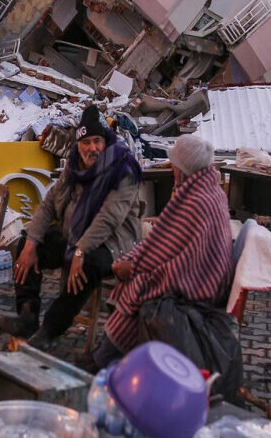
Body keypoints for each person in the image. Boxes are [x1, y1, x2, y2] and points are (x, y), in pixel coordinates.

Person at [0, 105, 142, 349]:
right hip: (74, 234)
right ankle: (27, 315)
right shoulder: (74, 165)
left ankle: (50, 329)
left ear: (105, 141)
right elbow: (49, 203)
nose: (92, 148)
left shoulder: (122, 170)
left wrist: (80, 251)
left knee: (87, 266)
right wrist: (32, 241)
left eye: (97, 141)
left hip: (112, 243)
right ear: (78, 144)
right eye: (86, 142)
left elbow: (108, 218)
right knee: (27, 243)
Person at [93, 135, 233, 369]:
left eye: (175, 166)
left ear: (181, 169)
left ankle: (106, 359)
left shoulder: (195, 201)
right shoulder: (209, 191)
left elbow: (168, 252)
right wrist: (135, 261)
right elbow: (166, 244)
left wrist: (133, 265)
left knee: (138, 285)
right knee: (136, 279)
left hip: (199, 283)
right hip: (206, 275)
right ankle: (107, 356)